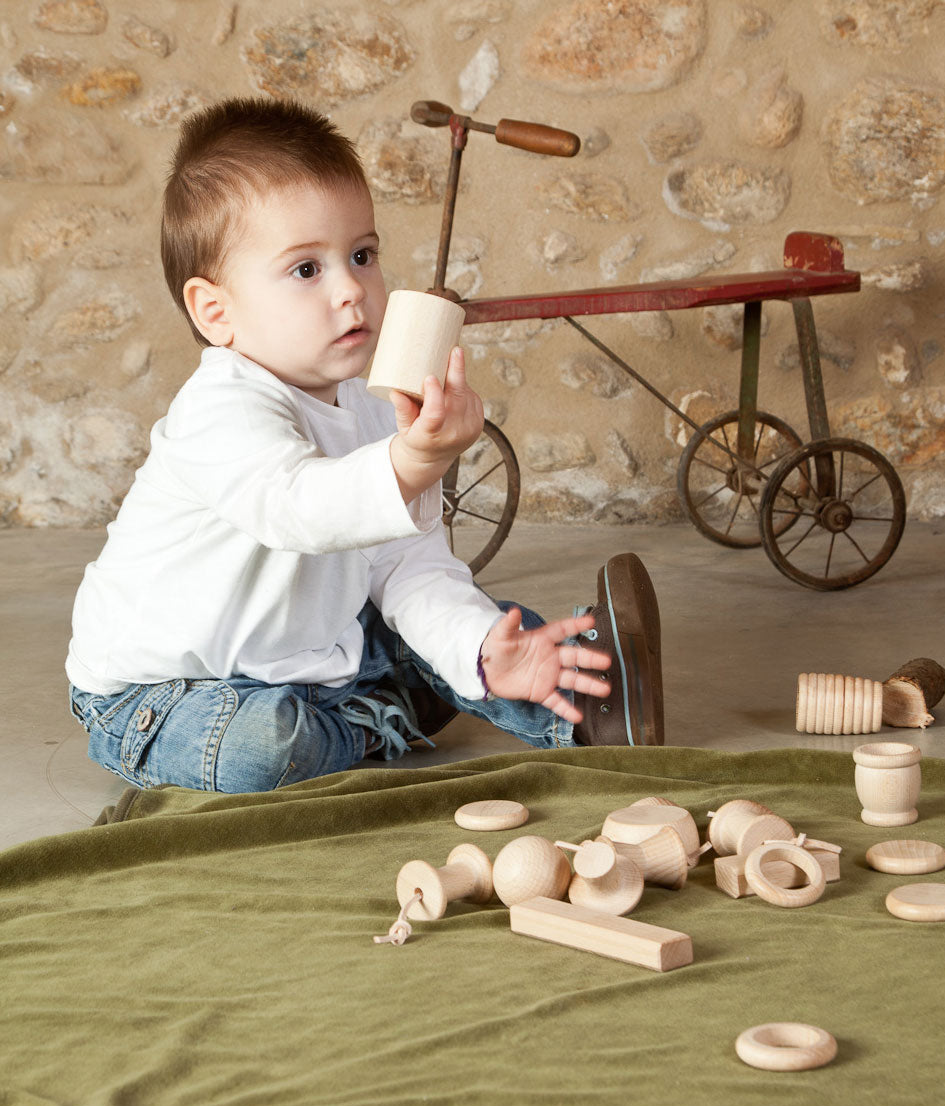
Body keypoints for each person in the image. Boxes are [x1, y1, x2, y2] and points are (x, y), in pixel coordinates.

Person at [66, 96, 664, 794]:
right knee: (262, 744)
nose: (352, 288)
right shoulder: (218, 410)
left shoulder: (369, 405)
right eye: (306, 270)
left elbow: (410, 564)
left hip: (313, 651)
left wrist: (475, 645)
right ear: (215, 312)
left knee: (483, 631)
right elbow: (299, 509)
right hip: (165, 695)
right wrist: (416, 461)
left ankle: (585, 699)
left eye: (362, 254)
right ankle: (380, 714)